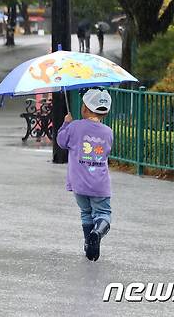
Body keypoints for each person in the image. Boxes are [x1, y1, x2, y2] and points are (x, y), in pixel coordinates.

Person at [56, 89, 113, 262]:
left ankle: (89, 244)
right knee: (103, 213)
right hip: (100, 184)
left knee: (86, 213)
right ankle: (97, 233)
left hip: (79, 184)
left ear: (85, 109)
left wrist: (66, 124)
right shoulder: (108, 131)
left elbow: (61, 141)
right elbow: (107, 151)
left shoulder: (75, 127)